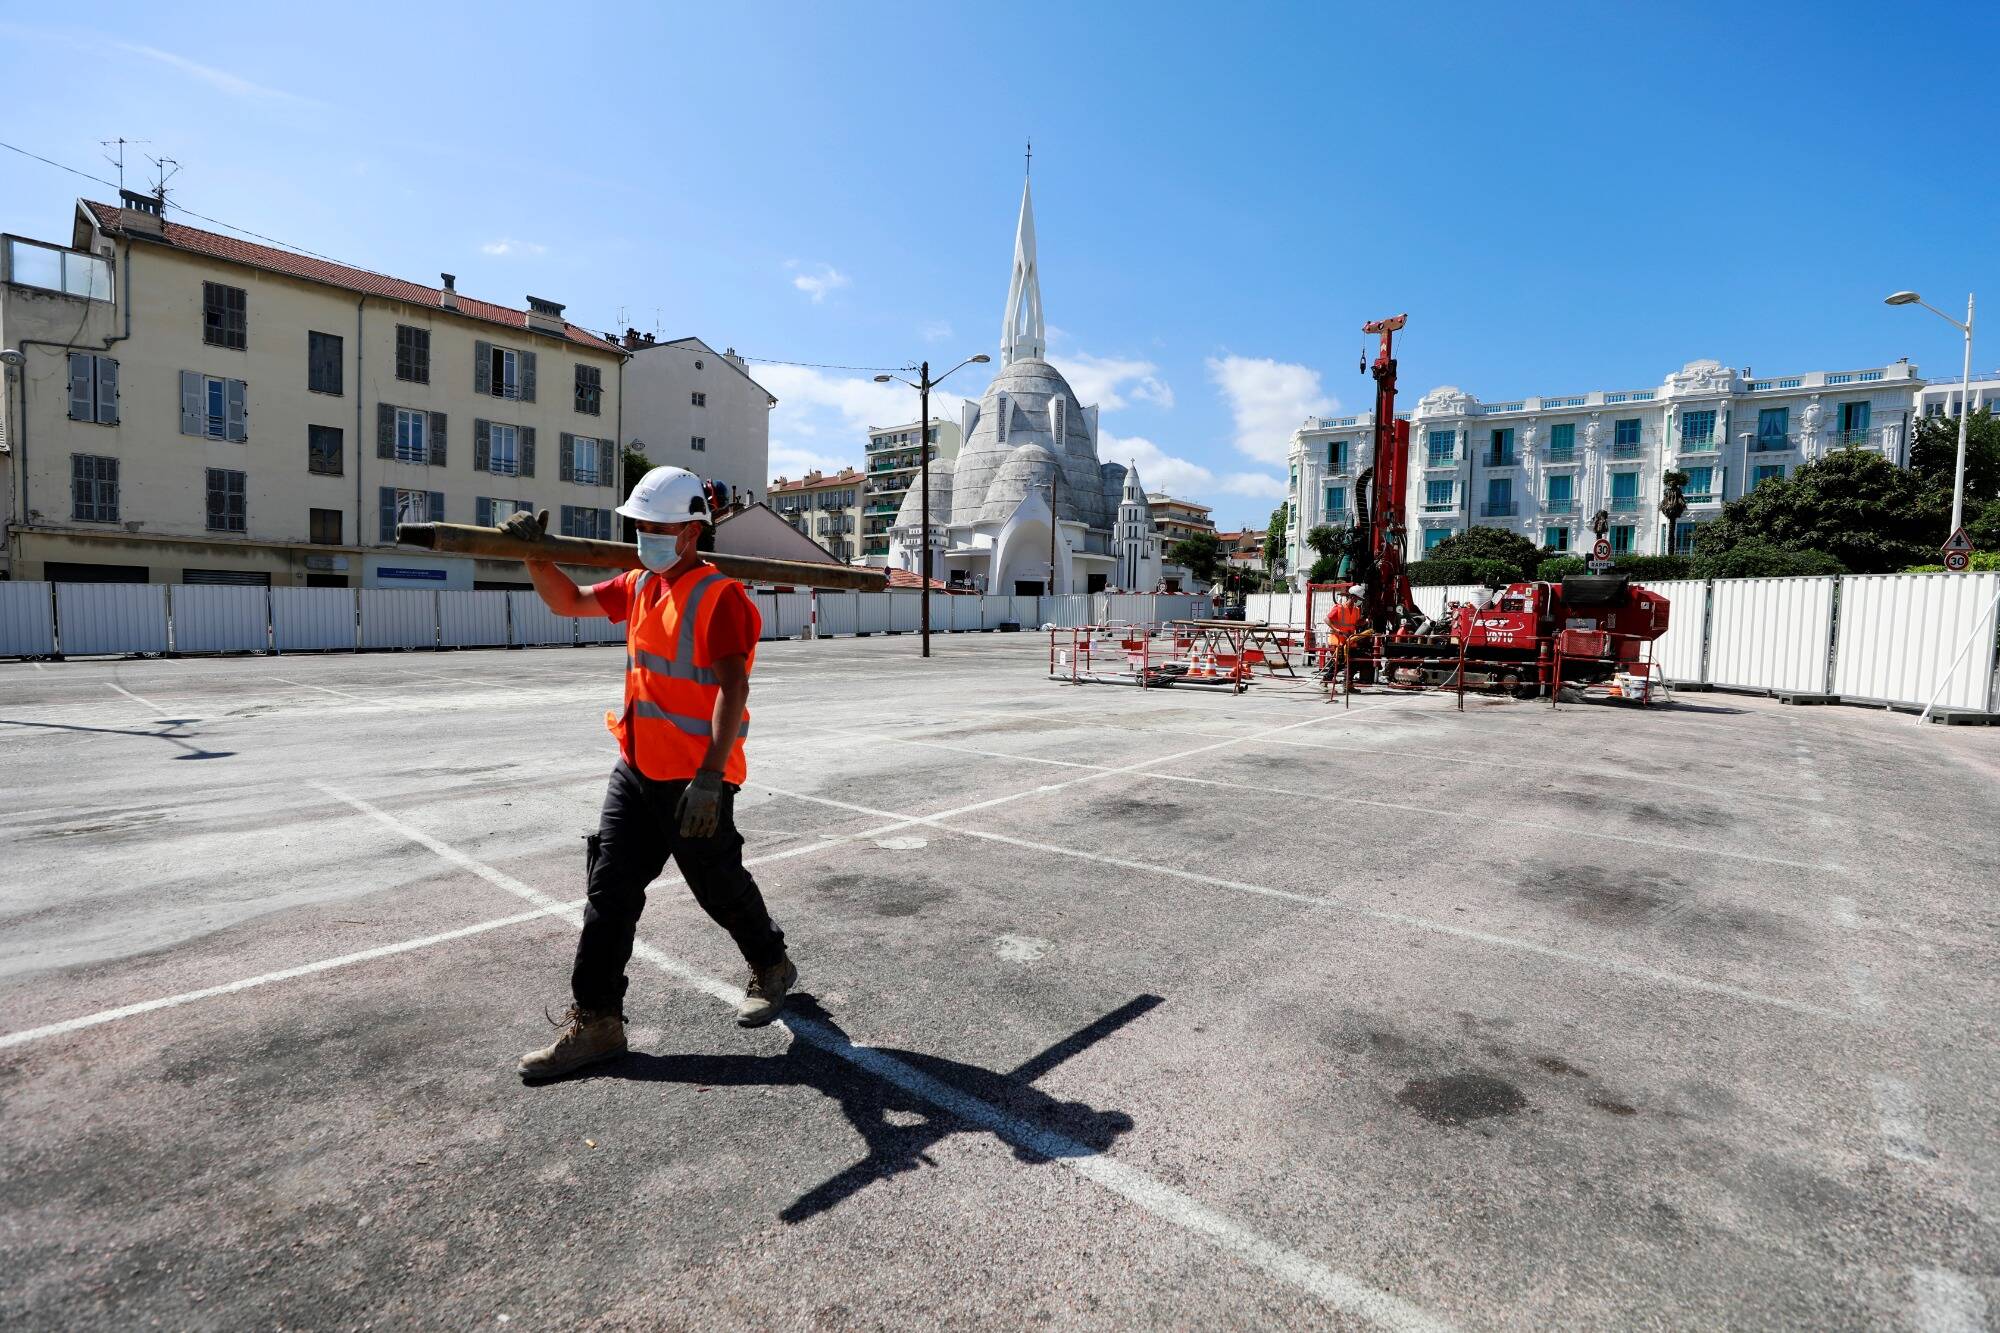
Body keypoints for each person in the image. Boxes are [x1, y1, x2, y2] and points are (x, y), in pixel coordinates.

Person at [510, 465, 796, 1081]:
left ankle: (772, 965)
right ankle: (598, 1023)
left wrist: (711, 779)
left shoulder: (719, 597)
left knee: (719, 887)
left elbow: (733, 690)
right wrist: (536, 558)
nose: (644, 537)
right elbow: (569, 602)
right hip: (637, 768)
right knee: (608, 894)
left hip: (696, 778)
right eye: (639, 526)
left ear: (691, 531)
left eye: (657, 528)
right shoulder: (640, 584)